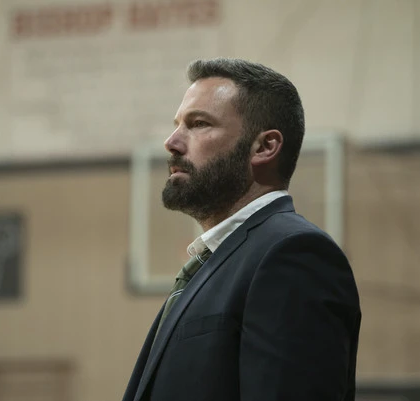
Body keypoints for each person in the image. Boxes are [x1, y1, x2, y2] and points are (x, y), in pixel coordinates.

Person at [122, 58, 361, 401]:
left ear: (264, 147)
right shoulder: (218, 259)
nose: (171, 142)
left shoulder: (294, 255)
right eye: (177, 125)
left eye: (198, 123)